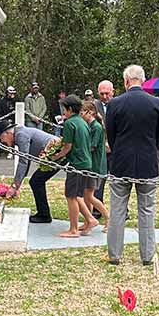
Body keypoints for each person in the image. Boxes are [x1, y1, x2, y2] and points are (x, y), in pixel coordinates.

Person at [105, 64, 159, 266]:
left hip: (121, 161)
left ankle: (114, 255)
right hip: (147, 163)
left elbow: (111, 135)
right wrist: (151, 151)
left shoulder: (115, 103)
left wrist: (118, 150)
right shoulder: (156, 103)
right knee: (147, 210)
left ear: (125, 81)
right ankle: (147, 256)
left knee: (117, 210)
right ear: (143, 80)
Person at [52, 95, 97, 238]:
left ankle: (73, 229)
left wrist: (55, 157)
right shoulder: (82, 122)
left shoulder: (69, 123)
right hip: (86, 163)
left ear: (70, 109)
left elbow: (67, 147)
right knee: (78, 195)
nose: (63, 112)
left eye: (64, 109)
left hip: (76, 164)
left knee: (71, 196)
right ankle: (90, 219)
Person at [0, 121, 59, 223]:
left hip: (57, 155)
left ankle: (44, 215)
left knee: (36, 181)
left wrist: (14, 186)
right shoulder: (20, 133)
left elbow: (23, 161)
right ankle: (43, 213)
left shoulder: (21, 135)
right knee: (36, 181)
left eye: (2, 139)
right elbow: (27, 159)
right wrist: (18, 183)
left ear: (7, 133)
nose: (3, 142)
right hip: (53, 156)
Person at [80, 101, 109, 232]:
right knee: (87, 195)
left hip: (96, 166)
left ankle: (109, 218)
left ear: (90, 112)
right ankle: (88, 221)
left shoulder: (96, 127)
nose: (81, 115)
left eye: (82, 113)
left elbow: (91, 146)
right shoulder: (91, 126)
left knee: (90, 196)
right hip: (91, 166)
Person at [93, 80, 114, 216]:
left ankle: (121, 211)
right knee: (98, 179)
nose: (105, 96)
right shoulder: (93, 106)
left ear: (113, 92)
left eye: (107, 93)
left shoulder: (119, 104)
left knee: (118, 181)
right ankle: (97, 209)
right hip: (100, 149)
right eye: (102, 94)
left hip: (115, 148)